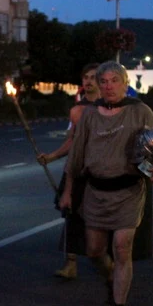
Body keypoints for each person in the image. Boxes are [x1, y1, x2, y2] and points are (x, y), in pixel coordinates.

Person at [60, 61, 153, 306]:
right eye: (104, 81)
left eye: (114, 81)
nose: (108, 86)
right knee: (95, 251)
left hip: (129, 192)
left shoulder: (140, 112)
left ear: (124, 83)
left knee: (122, 248)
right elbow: (76, 157)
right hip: (95, 193)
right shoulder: (89, 116)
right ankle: (110, 280)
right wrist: (67, 190)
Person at [38, 63, 100, 279]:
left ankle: (107, 259)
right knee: (71, 214)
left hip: (102, 171)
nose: (89, 81)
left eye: (93, 77)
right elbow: (71, 141)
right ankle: (71, 263)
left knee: (102, 216)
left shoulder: (112, 107)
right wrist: (52, 156)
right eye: (86, 77)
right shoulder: (77, 110)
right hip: (77, 170)